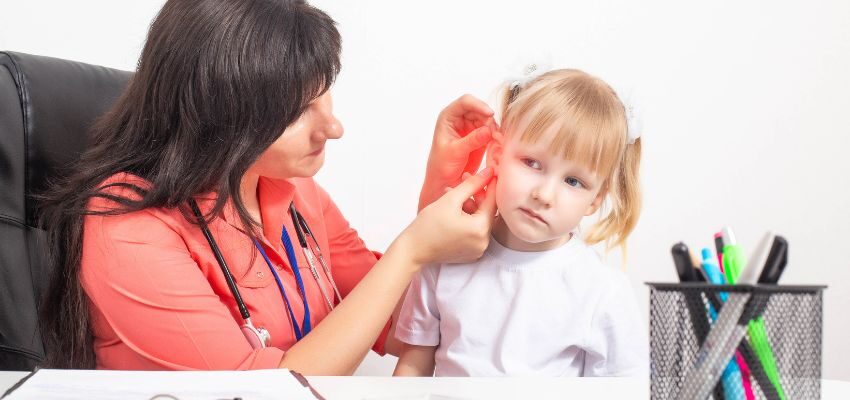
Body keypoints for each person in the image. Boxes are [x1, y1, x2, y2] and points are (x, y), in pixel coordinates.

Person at [38, 0, 498, 374]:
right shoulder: (128, 225)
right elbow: (265, 393)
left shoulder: (292, 190)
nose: (333, 127)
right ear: (218, 112)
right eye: (299, 111)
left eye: (325, 95)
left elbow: (401, 328)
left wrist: (438, 193)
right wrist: (412, 249)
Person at [393, 68, 648, 377]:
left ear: (595, 199)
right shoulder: (444, 259)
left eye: (573, 181)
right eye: (532, 163)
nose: (544, 194)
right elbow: (411, 368)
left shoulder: (601, 291)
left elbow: (623, 390)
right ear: (497, 156)